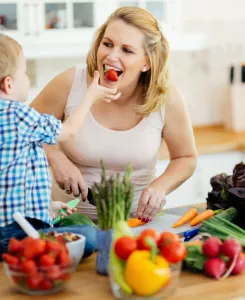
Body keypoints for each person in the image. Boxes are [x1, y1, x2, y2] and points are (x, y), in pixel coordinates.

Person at [31, 6, 197, 224]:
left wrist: (159, 187)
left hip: (134, 227)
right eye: (107, 44)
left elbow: (186, 158)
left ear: (147, 62)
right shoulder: (70, 84)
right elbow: (22, 128)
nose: (111, 56)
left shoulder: (167, 98)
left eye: (127, 50)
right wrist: (56, 157)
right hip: (66, 224)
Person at [0, 34, 120, 258]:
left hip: (8, 226)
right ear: (8, 84)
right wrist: (91, 96)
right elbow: (69, 130)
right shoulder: (18, 114)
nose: (27, 79)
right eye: (25, 73)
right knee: (88, 235)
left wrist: (47, 208)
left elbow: (11, 184)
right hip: (22, 232)